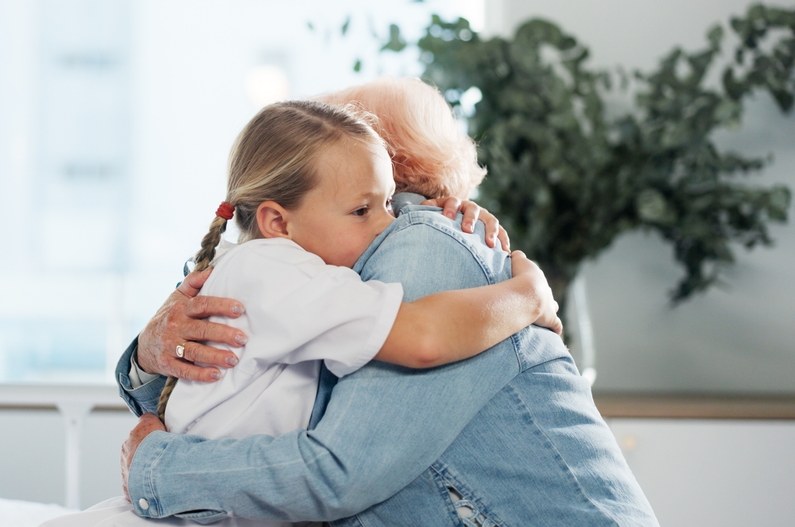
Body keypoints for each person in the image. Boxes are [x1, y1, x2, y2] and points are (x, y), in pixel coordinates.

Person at [118, 78, 659, 526]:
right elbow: (228, 392)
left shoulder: (423, 245)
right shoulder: (295, 265)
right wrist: (147, 354)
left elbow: (340, 470)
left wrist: (155, 468)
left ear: (384, 160)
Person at [43, 99, 558, 527]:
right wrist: (529, 294)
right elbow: (422, 337)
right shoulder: (274, 272)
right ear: (277, 222)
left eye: (393, 204)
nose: (389, 227)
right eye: (364, 210)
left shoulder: (260, 266)